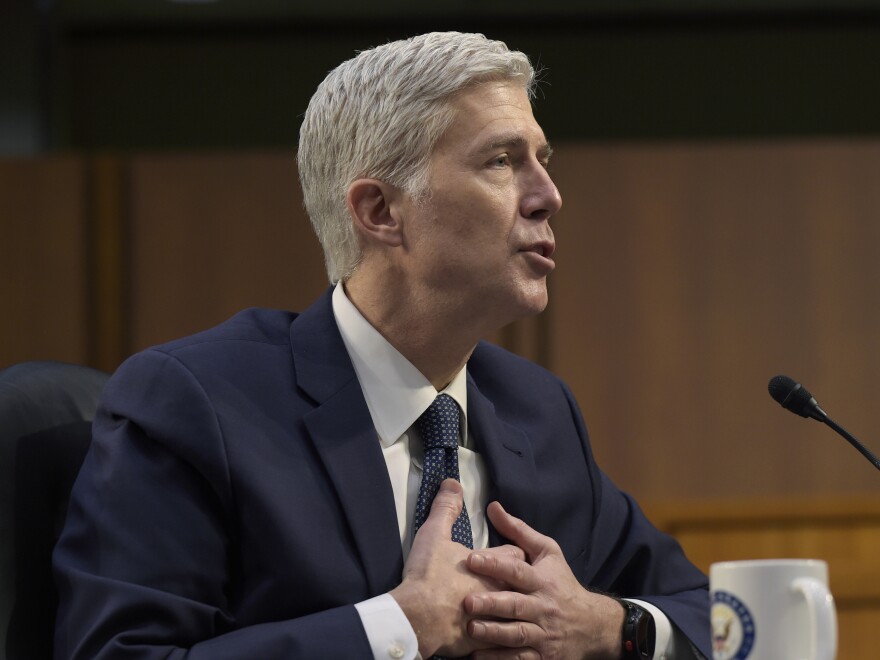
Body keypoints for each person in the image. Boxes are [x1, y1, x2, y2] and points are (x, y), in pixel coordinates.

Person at [54, 32, 711, 659]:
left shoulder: (535, 411)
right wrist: (399, 626)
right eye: (503, 161)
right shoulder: (196, 404)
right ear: (379, 212)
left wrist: (608, 626)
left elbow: (713, 614)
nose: (549, 196)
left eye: (544, 160)